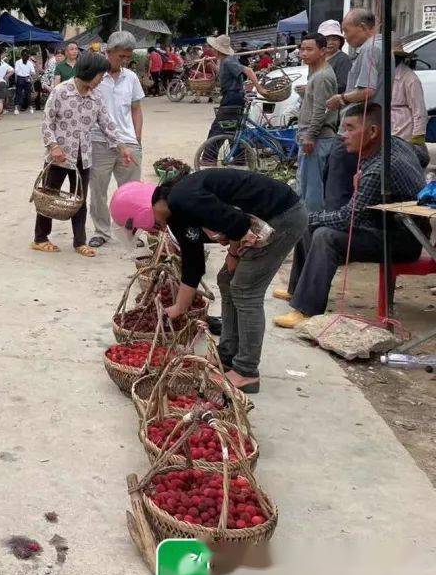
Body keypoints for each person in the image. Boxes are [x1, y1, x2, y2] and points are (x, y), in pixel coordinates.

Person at [110, 168, 306, 393]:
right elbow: (193, 263)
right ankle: (227, 355)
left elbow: (238, 223)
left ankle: (246, 372)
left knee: (245, 290)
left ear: (142, 211)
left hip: (282, 216)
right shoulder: (177, 215)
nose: (148, 231)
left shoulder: (182, 199)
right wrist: (179, 307)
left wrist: (234, 253)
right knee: (226, 279)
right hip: (268, 218)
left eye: (140, 226)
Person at [274, 103, 426, 328]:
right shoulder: (396, 144)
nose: (343, 136)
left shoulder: (378, 170)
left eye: (349, 128)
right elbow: (422, 157)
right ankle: (297, 291)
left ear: (373, 132)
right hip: (387, 226)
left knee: (324, 234)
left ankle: (307, 310)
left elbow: (348, 218)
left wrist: (312, 218)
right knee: (310, 224)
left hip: (402, 240)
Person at [33, 52, 133, 257]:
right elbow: (47, 122)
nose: (101, 80)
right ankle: (40, 238)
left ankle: (79, 242)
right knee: (48, 196)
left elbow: (107, 125)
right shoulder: (60, 92)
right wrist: (53, 146)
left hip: (84, 156)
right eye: (100, 75)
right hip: (59, 157)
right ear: (89, 72)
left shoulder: (95, 98)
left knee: (80, 199)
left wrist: (122, 146)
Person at [88, 30, 144, 248]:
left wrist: (137, 139)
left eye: (128, 57)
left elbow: (136, 109)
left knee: (130, 192)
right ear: (108, 52)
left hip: (128, 142)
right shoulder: (95, 77)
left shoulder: (131, 78)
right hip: (98, 141)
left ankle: (129, 231)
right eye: (121, 56)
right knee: (98, 190)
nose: (124, 61)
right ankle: (101, 231)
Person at [323, 8, 381, 211]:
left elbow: (367, 91)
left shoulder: (370, 49)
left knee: (337, 189)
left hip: (355, 129)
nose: (345, 37)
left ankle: (330, 232)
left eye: (346, 31)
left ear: (363, 27)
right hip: (368, 129)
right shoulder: (380, 48)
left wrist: (341, 98)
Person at [294, 33, 340, 212]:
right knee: (304, 185)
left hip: (318, 138)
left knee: (311, 189)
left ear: (322, 51)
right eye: (302, 49)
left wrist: (310, 136)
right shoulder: (316, 74)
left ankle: (311, 228)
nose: (303, 53)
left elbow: (321, 110)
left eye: (309, 49)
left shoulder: (322, 76)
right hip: (312, 136)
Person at [199, 35, 259, 165]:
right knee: (232, 127)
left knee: (219, 127)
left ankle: (209, 158)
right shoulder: (225, 61)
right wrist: (212, 65)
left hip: (232, 97)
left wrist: (259, 88)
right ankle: (239, 158)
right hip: (232, 96)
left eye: (213, 48)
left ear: (217, 49)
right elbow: (224, 74)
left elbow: (248, 70)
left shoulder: (228, 61)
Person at [390, 42, 429, 164]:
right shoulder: (386, 76)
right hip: (390, 132)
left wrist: (417, 138)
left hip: (404, 135)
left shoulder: (410, 79)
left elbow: (420, 111)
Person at [317, 20, 352, 94]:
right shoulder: (318, 58)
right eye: (326, 39)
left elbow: (342, 86)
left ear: (340, 41)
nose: (330, 43)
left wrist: (314, 88)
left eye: (334, 39)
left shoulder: (343, 59)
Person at [13, 48, 35, 114]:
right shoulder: (30, 63)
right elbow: (33, 72)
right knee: (28, 93)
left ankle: (16, 108)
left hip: (20, 79)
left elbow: (16, 71)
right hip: (27, 78)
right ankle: (31, 108)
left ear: (21, 55)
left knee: (18, 93)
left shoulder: (17, 62)